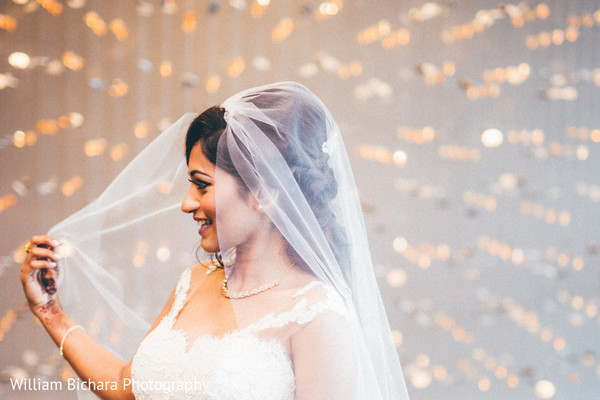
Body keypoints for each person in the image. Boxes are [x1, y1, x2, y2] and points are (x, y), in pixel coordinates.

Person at [20, 82, 409, 399]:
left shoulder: (316, 315)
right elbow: (127, 386)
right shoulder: (194, 282)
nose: (188, 203)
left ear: (265, 194)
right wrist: (50, 312)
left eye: (202, 185)